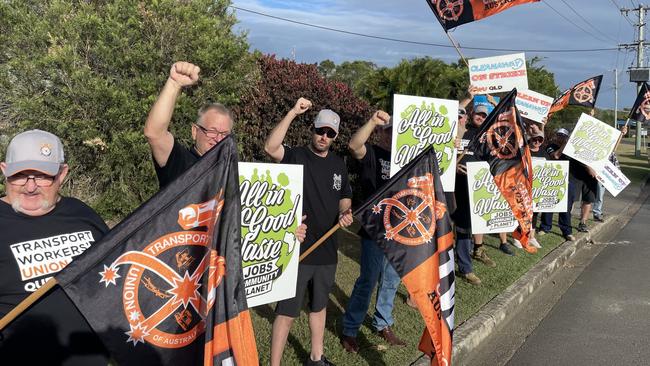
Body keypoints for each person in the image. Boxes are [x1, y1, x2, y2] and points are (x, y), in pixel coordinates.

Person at [0, 130, 110, 364]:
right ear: (4, 171)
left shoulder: (82, 214)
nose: (30, 187)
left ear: (62, 174)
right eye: (20, 176)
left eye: (42, 176)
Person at [264, 98, 353, 366]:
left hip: (327, 249)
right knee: (288, 312)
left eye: (330, 133)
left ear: (335, 137)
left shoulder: (339, 164)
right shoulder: (296, 156)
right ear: (312, 129)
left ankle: (316, 357)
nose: (323, 137)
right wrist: (292, 111)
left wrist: (344, 212)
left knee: (319, 307)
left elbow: (345, 195)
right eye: (320, 130)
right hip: (298, 248)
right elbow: (270, 147)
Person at [340, 111, 405, 353]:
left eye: (395, 131)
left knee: (391, 279)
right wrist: (372, 121)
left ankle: (383, 322)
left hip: (400, 228)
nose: (391, 136)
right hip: (374, 229)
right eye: (387, 131)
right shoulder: (373, 154)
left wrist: (448, 148)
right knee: (368, 280)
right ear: (380, 133)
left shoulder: (406, 157)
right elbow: (354, 145)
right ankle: (350, 329)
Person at [144, 61, 233, 188]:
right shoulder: (180, 162)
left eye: (224, 134)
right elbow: (154, 133)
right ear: (194, 131)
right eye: (212, 131)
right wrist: (174, 83)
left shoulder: (233, 175)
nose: (218, 139)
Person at [539, 128, 577, 241]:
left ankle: (567, 231)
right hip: (552, 179)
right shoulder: (550, 146)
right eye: (559, 135)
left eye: (563, 135)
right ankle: (545, 227)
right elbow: (555, 156)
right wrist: (566, 143)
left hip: (569, 180)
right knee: (548, 203)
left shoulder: (571, 149)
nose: (561, 137)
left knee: (566, 207)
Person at [513, 129, 545, 249]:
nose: (537, 141)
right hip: (523, 186)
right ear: (530, 138)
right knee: (521, 211)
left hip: (537, 188)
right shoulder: (523, 150)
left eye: (540, 139)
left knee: (534, 212)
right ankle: (517, 237)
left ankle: (531, 236)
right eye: (535, 139)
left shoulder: (544, 153)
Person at [592, 124, 628, 221]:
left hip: (603, 171)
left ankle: (596, 211)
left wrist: (621, 134)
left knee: (600, 192)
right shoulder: (593, 142)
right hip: (590, 169)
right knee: (589, 193)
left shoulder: (607, 145)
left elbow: (614, 148)